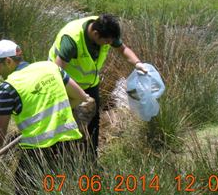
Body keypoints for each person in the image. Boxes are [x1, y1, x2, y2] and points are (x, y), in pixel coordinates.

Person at [0, 39, 96, 195]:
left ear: (8, 61)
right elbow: (80, 97)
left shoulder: (8, 87)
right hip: (70, 144)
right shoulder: (50, 67)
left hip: (38, 152)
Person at [48, 14, 148, 159]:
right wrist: (78, 95)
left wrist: (138, 64)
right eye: (107, 42)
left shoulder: (105, 29)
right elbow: (57, 72)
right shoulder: (71, 39)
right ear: (95, 34)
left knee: (93, 119)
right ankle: (58, 159)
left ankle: (91, 160)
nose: (109, 44)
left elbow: (123, 49)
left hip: (90, 83)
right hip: (65, 84)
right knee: (65, 121)